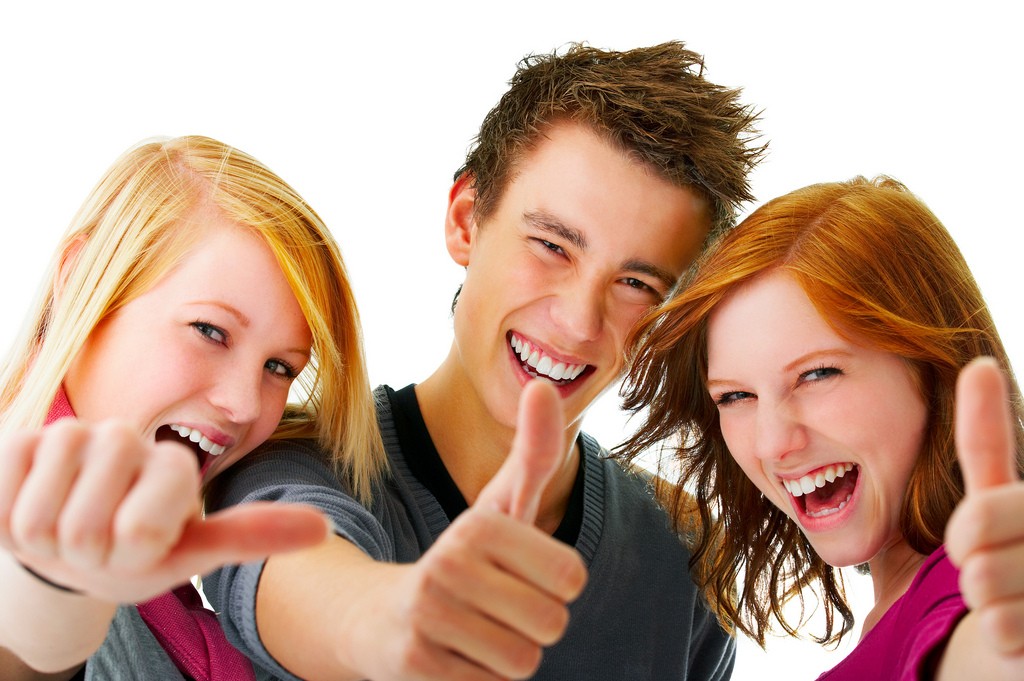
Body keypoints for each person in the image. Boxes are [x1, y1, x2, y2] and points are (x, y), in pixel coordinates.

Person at [205, 41, 764, 680]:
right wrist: (394, 621)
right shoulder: (296, 463)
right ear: (467, 222)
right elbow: (285, 565)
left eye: (637, 284)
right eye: (553, 246)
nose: (580, 322)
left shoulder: (680, 557)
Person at [0, 135, 384, 681]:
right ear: (81, 280)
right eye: (210, 331)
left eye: (280, 368)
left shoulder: (175, 599)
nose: (244, 404)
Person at [618, 175, 1024, 678]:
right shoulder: (899, 612)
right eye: (736, 396)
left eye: (817, 374)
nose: (772, 444)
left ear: (930, 369)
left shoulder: (972, 599)